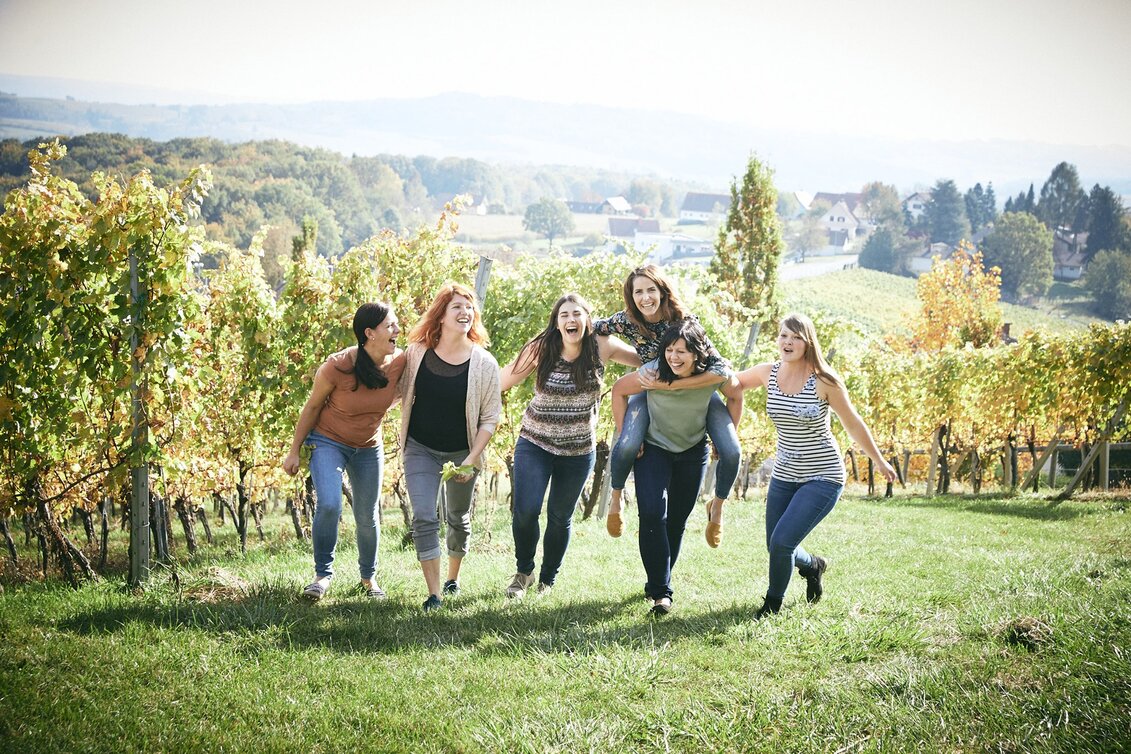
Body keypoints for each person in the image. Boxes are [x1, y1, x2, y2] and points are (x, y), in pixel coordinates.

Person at [730, 312, 896, 618]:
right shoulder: (769, 372)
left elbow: (853, 424)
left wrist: (880, 460)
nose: (788, 342)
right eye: (783, 335)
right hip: (784, 474)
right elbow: (731, 381)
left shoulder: (825, 381)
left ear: (808, 343)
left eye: (796, 337)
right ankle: (814, 566)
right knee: (776, 545)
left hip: (823, 475)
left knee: (782, 542)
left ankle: (771, 605)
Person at [499, 293, 640, 599]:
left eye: (577, 314)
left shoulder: (603, 346)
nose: (570, 319)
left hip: (578, 451)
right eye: (564, 315)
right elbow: (501, 381)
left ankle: (547, 580)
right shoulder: (542, 348)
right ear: (556, 322)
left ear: (589, 320)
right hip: (535, 443)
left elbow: (649, 361)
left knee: (560, 516)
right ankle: (524, 572)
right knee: (525, 511)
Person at [594, 265, 740, 548]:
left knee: (733, 451)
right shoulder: (625, 320)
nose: (645, 298)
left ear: (663, 292)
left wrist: (672, 385)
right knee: (625, 445)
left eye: (651, 290)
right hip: (651, 392)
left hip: (694, 391)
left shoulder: (684, 320)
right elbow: (593, 328)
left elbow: (722, 369)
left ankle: (718, 506)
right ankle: (616, 498)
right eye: (638, 292)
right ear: (631, 295)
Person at [282, 302, 405, 601]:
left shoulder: (400, 361)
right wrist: (294, 450)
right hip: (328, 442)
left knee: (367, 514)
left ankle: (368, 579)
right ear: (369, 333)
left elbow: (402, 391)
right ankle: (322, 576)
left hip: (368, 447)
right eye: (390, 326)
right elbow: (312, 407)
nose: (397, 331)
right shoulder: (337, 366)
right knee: (329, 505)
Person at [610, 318, 730, 615]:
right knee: (652, 514)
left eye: (682, 352)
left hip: (693, 452)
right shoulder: (651, 372)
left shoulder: (712, 374)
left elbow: (733, 386)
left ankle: (657, 584)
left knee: (676, 522)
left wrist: (724, 435)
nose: (674, 357)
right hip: (654, 449)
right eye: (670, 350)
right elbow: (617, 390)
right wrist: (628, 431)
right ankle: (662, 592)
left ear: (697, 355)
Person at [399, 282, 501, 612]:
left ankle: (452, 578)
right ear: (440, 315)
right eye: (457, 306)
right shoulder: (416, 353)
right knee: (425, 516)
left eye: (469, 307)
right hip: (421, 447)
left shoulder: (484, 363)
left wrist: (472, 458)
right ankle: (434, 594)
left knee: (458, 516)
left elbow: (490, 418)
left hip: (462, 451)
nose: (465, 312)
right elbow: (393, 389)